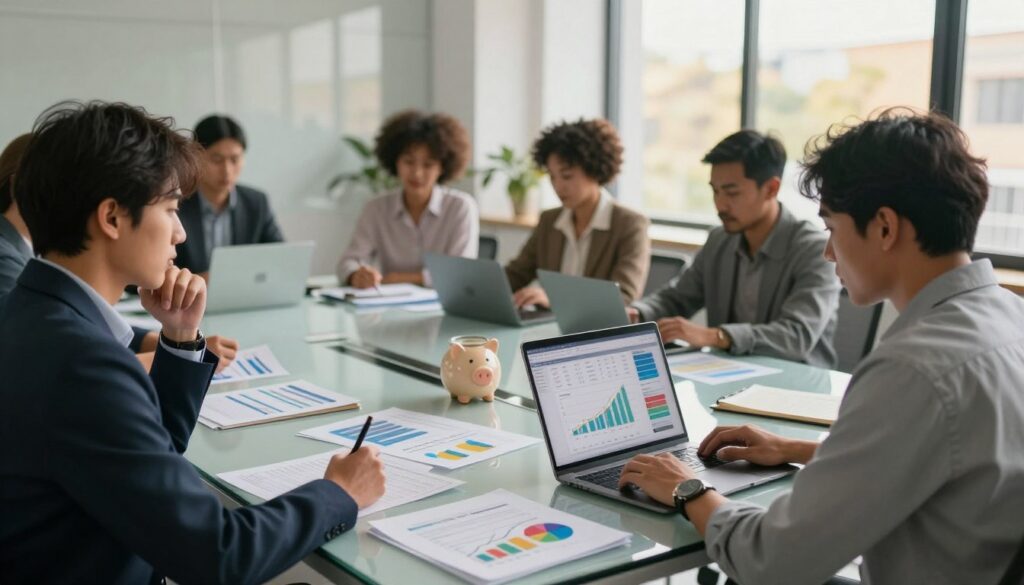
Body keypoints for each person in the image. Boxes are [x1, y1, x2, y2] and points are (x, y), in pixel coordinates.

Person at [619, 110, 1024, 584]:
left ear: (885, 228)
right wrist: (799, 448)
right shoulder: (1009, 318)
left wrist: (688, 489)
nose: (829, 252)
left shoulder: (911, 368)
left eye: (832, 228)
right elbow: (949, 457)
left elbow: (771, 559)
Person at [0, 101, 386, 584]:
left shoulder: (32, 312)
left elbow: (148, 455)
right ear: (112, 218)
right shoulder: (84, 364)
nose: (180, 232)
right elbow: (218, 554)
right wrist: (339, 492)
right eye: (169, 208)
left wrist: (179, 339)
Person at [0, 133, 239, 371]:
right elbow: (73, 360)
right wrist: (181, 355)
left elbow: (92, 329)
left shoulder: (32, 249)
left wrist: (174, 342)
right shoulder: (6, 258)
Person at [630, 130, 840, 367]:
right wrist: (639, 313)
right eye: (715, 191)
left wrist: (715, 336)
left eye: (732, 192)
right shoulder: (719, 239)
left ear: (771, 189)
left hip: (797, 385)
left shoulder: (813, 250)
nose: (720, 204)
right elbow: (677, 298)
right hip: (727, 376)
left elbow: (796, 336)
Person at [504, 118, 650, 305]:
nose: (558, 186)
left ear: (594, 169)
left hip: (597, 331)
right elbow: (516, 274)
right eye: (552, 176)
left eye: (567, 176)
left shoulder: (630, 224)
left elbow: (623, 297)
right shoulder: (550, 220)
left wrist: (556, 300)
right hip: (547, 329)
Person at [337, 109, 478, 288]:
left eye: (428, 165)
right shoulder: (376, 209)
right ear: (396, 162)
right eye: (408, 162)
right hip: (388, 310)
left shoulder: (460, 207)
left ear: (442, 168)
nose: (417, 173)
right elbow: (347, 262)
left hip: (443, 307)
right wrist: (356, 275)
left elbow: (460, 274)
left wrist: (400, 278)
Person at [174, 114, 284, 275]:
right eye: (216, 159)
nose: (227, 170)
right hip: (188, 299)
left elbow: (279, 258)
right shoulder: (175, 203)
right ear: (196, 157)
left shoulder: (256, 202)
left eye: (235, 159)